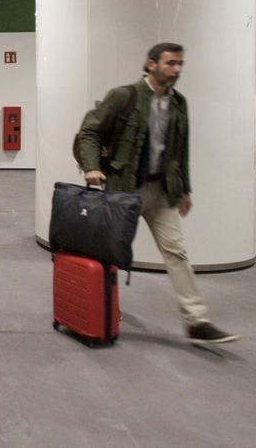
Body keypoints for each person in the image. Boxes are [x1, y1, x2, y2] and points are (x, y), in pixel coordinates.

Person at [75, 42, 238, 345]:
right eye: (170, 63)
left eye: (179, 64)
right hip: (125, 189)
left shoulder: (179, 104)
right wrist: (92, 167)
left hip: (162, 191)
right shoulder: (125, 96)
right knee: (111, 252)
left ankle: (197, 320)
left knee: (176, 251)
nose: (176, 70)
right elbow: (90, 131)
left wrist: (184, 188)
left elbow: (180, 150)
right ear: (151, 64)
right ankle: (104, 310)